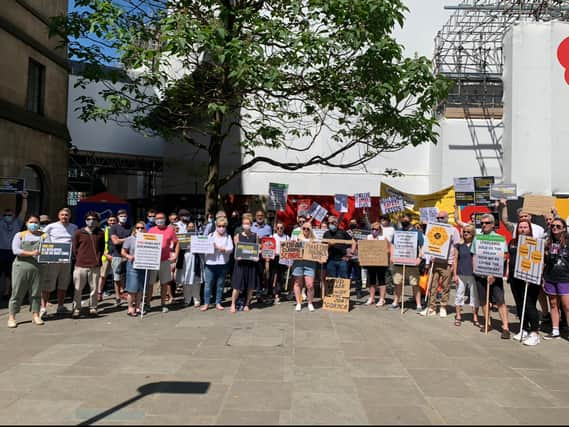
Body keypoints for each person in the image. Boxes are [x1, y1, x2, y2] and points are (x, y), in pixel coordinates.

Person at [471, 213, 510, 339]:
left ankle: (505, 327)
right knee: (484, 301)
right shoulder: (477, 238)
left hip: (495, 276)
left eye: (487, 223)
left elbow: (503, 257)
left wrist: (493, 274)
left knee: (500, 301)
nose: (484, 225)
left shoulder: (500, 238)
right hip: (480, 275)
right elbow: (474, 255)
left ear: (493, 224)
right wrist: (476, 271)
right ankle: (487, 323)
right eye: (482, 223)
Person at [420, 210, 461, 317]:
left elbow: (456, 248)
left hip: (447, 262)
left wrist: (453, 264)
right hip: (435, 262)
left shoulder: (453, 230)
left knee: (445, 286)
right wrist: (428, 262)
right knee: (431, 286)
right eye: (438, 218)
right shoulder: (433, 229)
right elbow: (429, 247)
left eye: (441, 218)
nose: (439, 219)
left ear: (447, 218)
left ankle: (443, 306)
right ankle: (431, 307)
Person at [507, 220, 541, 345]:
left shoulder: (534, 243)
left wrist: (533, 275)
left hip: (529, 279)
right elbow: (510, 258)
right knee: (519, 304)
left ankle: (534, 332)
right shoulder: (512, 242)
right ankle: (524, 328)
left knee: (529, 304)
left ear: (529, 229)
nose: (522, 229)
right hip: (514, 278)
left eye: (525, 227)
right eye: (520, 227)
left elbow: (538, 260)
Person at [7, 214, 43, 328]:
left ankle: (36, 315)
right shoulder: (20, 235)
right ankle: (11, 317)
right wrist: (31, 253)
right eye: (31, 222)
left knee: (36, 292)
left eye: (36, 222)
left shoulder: (44, 236)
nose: (33, 224)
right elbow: (16, 250)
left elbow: (50, 249)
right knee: (17, 292)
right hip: (20, 266)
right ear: (26, 223)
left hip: (37, 267)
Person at [42, 208, 78, 315]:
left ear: (70, 216)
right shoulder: (51, 226)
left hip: (67, 260)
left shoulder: (74, 227)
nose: (64, 217)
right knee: (48, 283)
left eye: (66, 215)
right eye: (62, 215)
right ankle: (43, 307)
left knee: (63, 283)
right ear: (58, 216)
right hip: (53, 260)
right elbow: (43, 239)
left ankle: (61, 306)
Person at [71, 211, 105, 318]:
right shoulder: (79, 232)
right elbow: (74, 248)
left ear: (97, 221)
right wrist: (80, 258)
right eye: (89, 219)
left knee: (94, 289)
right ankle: (76, 309)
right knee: (78, 288)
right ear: (85, 220)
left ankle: (93, 308)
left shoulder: (100, 233)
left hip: (95, 265)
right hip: (80, 265)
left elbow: (102, 248)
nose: (91, 221)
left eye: (94, 219)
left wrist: (98, 259)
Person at [389, 214, 424, 311]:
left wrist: (419, 258)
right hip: (398, 261)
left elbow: (422, 246)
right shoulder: (397, 232)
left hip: (412, 262)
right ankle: (396, 302)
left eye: (406, 219)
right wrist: (392, 256)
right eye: (402, 219)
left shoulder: (417, 232)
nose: (404, 221)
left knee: (415, 283)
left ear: (410, 220)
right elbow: (393, 245)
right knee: (397, 282)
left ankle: (418, 305)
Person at [542, 217, 569, 340]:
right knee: (553, 304)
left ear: (564, 228)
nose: (554, 228)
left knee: (567, 306)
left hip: (565, 278)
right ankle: (555, 330)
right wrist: (542, 277)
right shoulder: (548, 243)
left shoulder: (568, 242)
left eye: (558, 226)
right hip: (550, 277)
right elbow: (544, 262)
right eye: (553, 226)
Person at [147, 212, 179, 313]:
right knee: (150, 283)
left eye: (161, 218)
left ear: (165, 219)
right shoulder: (151, 230)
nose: (159, 220)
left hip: (165, 261)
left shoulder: (170, 230)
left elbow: (177, 243)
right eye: (157, 218)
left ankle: (163, 304)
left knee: (164, 283)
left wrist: (176, 255)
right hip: (153, 260)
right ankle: (147, 304)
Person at [230, 214, 261, 312]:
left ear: (251, 224)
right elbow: (237, 250)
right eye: (244, 223)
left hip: (251, 264)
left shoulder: (256, 236)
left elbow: (257, 249)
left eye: (248, 223)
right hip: (240, 264)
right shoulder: (237, 236)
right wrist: (238, 256)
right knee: (237, 285)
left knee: (250, 286)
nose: (246, 225)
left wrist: (257, 256)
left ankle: (247, 304)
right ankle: (233, 304)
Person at [0, 192, 28, 300]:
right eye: (6, 215)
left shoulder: (17, 222)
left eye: (10, 215)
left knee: (9, 273)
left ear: (14, 215)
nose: (8, 216)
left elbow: (23, 211)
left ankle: (7, 292)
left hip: (12, 251)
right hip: (1, 250)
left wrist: (24, 198)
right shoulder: (1, 222)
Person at [202, 217, 233, 311]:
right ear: (216, 226)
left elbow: (230, 249)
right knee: (208, 285)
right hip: (210, 264)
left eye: (223, 226)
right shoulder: (210, 236)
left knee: (220, 285)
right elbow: (202, 248)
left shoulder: (228, 236)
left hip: (222, 264)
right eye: (219, 226)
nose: (221, 228)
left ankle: (218, 302)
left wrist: (221, 249)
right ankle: (206, 303)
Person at [452, 224, 480, 327]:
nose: (465, 234)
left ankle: (475, 317)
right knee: (459, 294)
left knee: (474, 296)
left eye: (468, 232)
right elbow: (455, 260)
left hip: (474, 274)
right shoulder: (458, 244)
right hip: (461, 273)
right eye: (464, 231)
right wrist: (454, 274)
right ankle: (458, 316)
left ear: (472, 233)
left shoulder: (476, 244)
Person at [121, 222, 148, 317]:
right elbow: (123, 252)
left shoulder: (148, 239)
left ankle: (138, 306)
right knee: (132, 289)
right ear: (134, 229)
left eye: (142, 227)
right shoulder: (129, 239)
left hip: (143, 266)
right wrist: (129, 256)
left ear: (145, 229)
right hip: (132, 265)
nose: (140, 229)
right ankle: (130, 307)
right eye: (138, 227)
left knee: (140, 288)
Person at [362, 222, 391, 307]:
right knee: (371, 280)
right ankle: (371, 298)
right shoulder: (368, 237)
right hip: (371, 262)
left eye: (376, 229)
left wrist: (381, 251)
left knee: (381, 280)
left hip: (381, 262)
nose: (374, 231)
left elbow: (389, 249)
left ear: (380, 230)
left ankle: (382, 299)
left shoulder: (383, 238)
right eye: (373, 229)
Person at [292, 222, 318, 312]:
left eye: (308, 229)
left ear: (311, 230)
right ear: (301, 229)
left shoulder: (314, 239)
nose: (306, 230)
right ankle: (298, 302)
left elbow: (319, 251)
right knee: (298, 283)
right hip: (298, 262)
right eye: (304, 228)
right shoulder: (296, 237)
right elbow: (290, 248)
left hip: (310, 263)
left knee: (310, 285)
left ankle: (310, 303)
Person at [179, 221, 204, 308]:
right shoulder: (183, 237)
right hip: (186, 259)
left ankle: (197, 299)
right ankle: (187, 299)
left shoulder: (199, 237)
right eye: (189, 227)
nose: (191, 228)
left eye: (192, 226)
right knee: (186, 280)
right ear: (186, 228)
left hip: (197, 259)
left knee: (196, 281)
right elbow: (179, 248)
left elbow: (204, 248)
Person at [109, 209, 131, 308]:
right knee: (117, 278)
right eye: (121, 216)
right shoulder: (113, 227)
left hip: (128, 255)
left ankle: (129, 296)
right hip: (117, 255)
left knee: (128, 277)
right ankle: (117, 298)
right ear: (118, 217)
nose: (123, 217)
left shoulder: (130, 227)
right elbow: (115, 242)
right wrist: (129, 239)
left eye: (125, 215)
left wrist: (121, 240)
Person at [97, 215, 117, 303]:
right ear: (108, 221)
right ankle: (99, 293)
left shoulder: (118, 230)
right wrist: (105, 254)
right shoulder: (104, 231)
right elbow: (100, 245)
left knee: (118, 277)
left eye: (114, 220)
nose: (112, 222)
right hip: (106, 256)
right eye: (110, 220)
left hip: (117, 255)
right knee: (102, 275)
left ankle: (119, 294)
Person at [269, 221, 290, 304]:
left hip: (283, 258)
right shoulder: (272, 236)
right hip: (273, 258)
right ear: (275, 228)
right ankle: (271, 293)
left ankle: (277, 294)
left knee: (280, 277)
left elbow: (290, 250)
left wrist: (289, 262)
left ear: (284, 228)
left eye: (281, 228)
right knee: (272, 276)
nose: (279, 229)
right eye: (278, 228)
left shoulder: (287, 237)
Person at [347, 218, 364, 299]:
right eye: (351, 223)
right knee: (346, 275)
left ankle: (358, 291)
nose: (352, 224)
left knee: (358, 276)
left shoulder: (360, 233)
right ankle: (346, 291)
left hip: (357, 257)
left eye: (354, 223)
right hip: (348, 257)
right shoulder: (346, 233)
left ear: (357, 224)